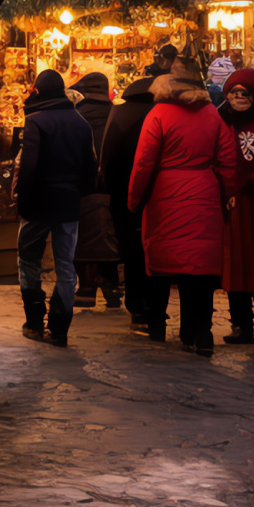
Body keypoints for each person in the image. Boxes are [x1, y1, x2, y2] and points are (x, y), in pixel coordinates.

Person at [128, 57, 237, 356]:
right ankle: (200, 333)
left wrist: (135, 198)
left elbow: (143, 162)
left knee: (166, 263)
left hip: (166, 195)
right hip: (204, 193)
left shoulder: (159, 114)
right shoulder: (212, 114)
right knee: (199, 269)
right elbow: (227, 160)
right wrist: (228, 193)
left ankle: (157, 325)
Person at [15, 68, 98, 346]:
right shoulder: (81, 123)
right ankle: (60, 328)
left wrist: (23, 201)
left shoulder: (36, 121)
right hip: (68, 203)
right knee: (65, 265)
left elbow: (29, 167)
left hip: (37, 203)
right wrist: (77, 193)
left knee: (29, 261)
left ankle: (35, 322)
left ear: (38, 91)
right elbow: (91, 167)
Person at [217, 68, 254, 345]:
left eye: (244, 93)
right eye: (233, 93)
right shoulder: (220, 121)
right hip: (232, 203)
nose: (239, 98)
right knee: (234, 263)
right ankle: (240, 323)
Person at [99, 74, 156, 332]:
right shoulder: (162, 112)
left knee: (132, 252)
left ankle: (137, 308)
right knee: (153, 250)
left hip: (124, 193)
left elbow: (107, 155)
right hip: (157, 194)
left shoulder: (120, 113)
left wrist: (111, 190)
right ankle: (155, 307)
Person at [70, 71, 121, 310]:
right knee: (110, 236)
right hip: (114, 188)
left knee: (83, 236)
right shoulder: (119, 116)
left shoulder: (76, 116)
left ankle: (86, 287)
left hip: (81, 187)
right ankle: (111, 284)